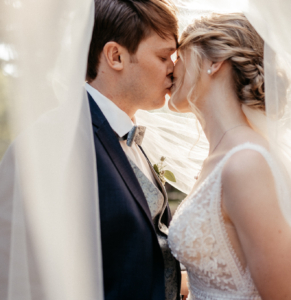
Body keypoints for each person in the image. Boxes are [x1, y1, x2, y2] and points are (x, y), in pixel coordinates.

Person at [167, 13, 291, 299]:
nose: (171, 67)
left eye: (180, 55)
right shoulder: (222, 156)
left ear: (214, 63)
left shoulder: (245, 164)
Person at [85, 0, 181, 299]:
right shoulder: (63, 140)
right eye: (165, 55)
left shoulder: (133, 137)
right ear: (116, 56)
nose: (174, 69)